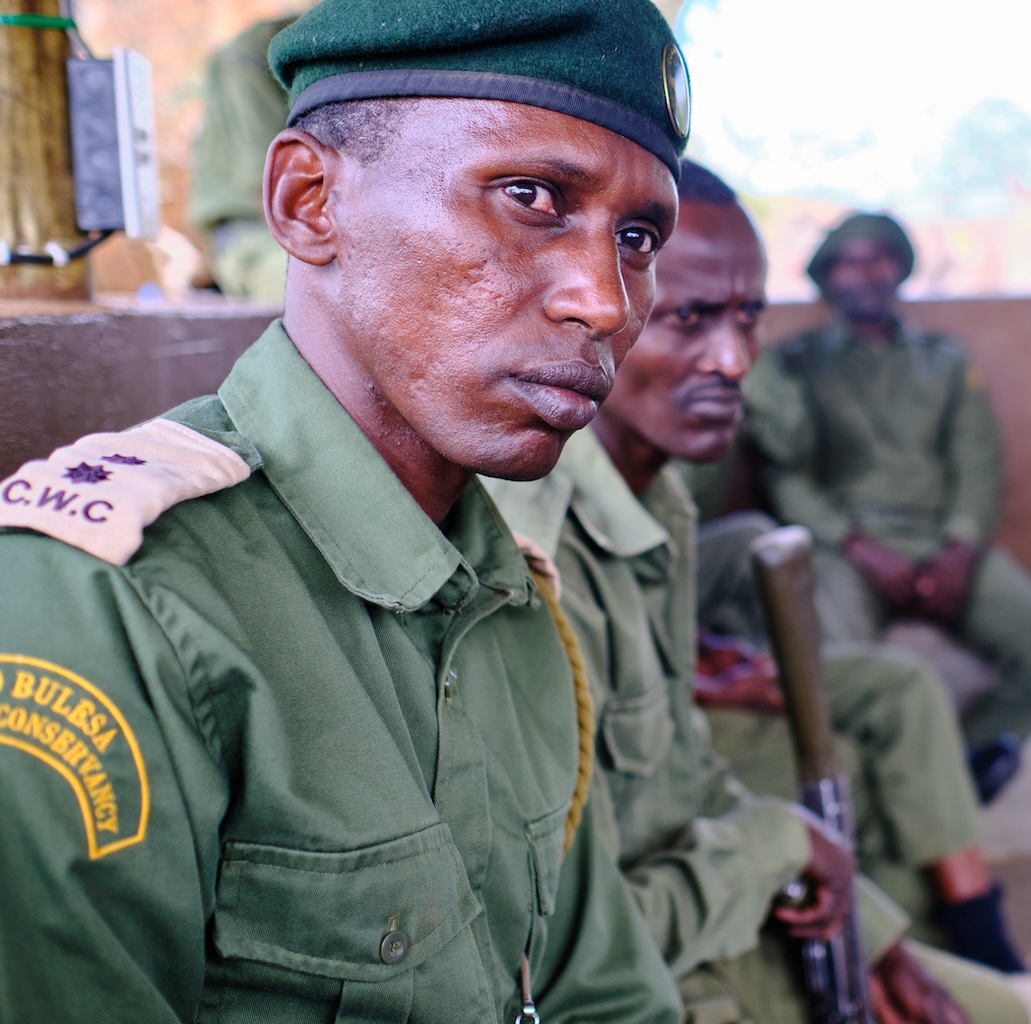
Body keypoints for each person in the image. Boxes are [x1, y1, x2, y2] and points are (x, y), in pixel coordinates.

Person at [0, 0, 697, 1019]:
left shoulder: (514, 606)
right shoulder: (107, 610)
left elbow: (604, 994)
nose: (606, 299)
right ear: (308, 198)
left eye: (637, 236)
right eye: (533, 196)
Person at [487, 162, 1031, 1024]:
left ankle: (965, 904)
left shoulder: (667, 501)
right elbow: (575, 934)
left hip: (938, 546)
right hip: (660, 967)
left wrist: (877, 938)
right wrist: (785, 847)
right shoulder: (537, 536)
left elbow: (684, 772)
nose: (732, 360)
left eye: (747, 319)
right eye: (688, 318)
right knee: (857, 711)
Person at [745, 211, 1031, 803]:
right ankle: (873, 804)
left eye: (880, 257)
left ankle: (945, 781)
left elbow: (977, 463)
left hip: (941, 539)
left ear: (901, 268)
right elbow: (788, 476)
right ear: (828, 277)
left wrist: (959, 550)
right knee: (842, 672)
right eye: (850, 261)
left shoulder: (946, 358)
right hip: (844, 545)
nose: (867, 273)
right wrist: (859, 548)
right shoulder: (795, 363)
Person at [188, 15, 296, 303]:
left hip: (299, 228)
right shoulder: (258, 51)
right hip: (252, 231)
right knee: (313, 295)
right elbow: (270, 192)